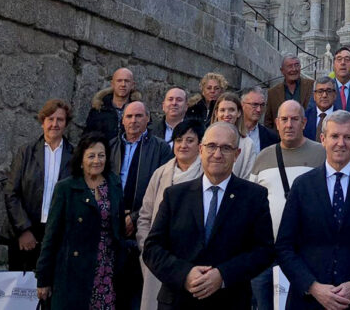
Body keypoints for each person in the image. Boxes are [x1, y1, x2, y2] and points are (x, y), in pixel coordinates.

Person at [143, 122, 276, 310]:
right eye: (211, 146)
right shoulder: (175, 196)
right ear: (201, 150)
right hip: (178, 301)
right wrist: (185, 274)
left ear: (237, 154)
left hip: (229, 300)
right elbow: (152, 248)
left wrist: (223, 275)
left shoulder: (254, 197)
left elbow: (264, 251)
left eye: (226, 148)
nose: (217, 154)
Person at [276, 110, 350, 309]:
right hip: (310, 301)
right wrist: (313, 287)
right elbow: (284, 246)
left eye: (347, 137)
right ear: (323, 139)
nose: (340, 143)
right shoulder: (302, 185)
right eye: (334, 136)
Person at [36, 132, 130, 310]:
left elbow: (119, 229)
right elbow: (51, 236)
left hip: (105, 267)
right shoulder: (66, 188)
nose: (97, 161)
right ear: (81, 159)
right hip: (73, 270)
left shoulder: (114, 184)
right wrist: (43, 278)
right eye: (91, 156)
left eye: (101, 155)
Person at [251, 100, 328, 310]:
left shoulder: (322, 154)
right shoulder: (263, 157)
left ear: (304, 122)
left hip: (305, 254)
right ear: (276, 123)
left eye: (295, 119)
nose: (289, 124)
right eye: (284, 119)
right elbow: (251, 204)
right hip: (267, 253)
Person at [109, 100, 172, 310]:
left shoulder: (161, 148)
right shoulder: (111, 147)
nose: (133, 121)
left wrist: (134, 217)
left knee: (138, 287)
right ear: (122, 120)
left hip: (144, 222)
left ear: (148, 119)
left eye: (138, 116)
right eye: (129, 116)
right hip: (112, 223)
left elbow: (162, 188)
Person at [136, 119, 202, 310]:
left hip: (192, 261)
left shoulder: (205, 174)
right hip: (159, 260)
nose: (183, 145)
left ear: (200, 145)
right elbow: (145, 215)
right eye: (179, 140)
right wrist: (147, 247)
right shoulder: (160, 173)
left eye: (190, 140)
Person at [2, 99, 73, 272]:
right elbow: (12, 193)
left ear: (66, 124)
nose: (54, 124)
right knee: (22, 293)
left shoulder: (75, 155)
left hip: (59, 233)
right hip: (27, 232)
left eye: (60, 120)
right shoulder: (26, 152)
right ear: (42, 122)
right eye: (50, 119)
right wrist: (24, 230)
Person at [211, 92, 258, 177]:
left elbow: (248, 177)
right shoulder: (206, 140)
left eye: (231, 110)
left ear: (239, 113)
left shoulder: (248, 144)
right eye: (222, 110)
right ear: (216, 113)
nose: (226, 114)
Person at [85, 67, 140, 141]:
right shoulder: (98, 110)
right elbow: (87, 138)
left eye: (127, 81)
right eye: (119, 81)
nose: (123, 84)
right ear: (112, 84)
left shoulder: (140, 112)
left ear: (132, 85)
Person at [266, 55, 313, 130]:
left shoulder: (312, 86)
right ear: (282, 70)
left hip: (307, 137)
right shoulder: (273, 93)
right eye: (290, 66)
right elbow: (268, 122)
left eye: (296, 65)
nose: (294, 69)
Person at [242, 85, 280, 155]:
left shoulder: (272, 138)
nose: (259, 109)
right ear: (242, 105)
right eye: (254, 104)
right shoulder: (231, 131)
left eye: (262, 105)